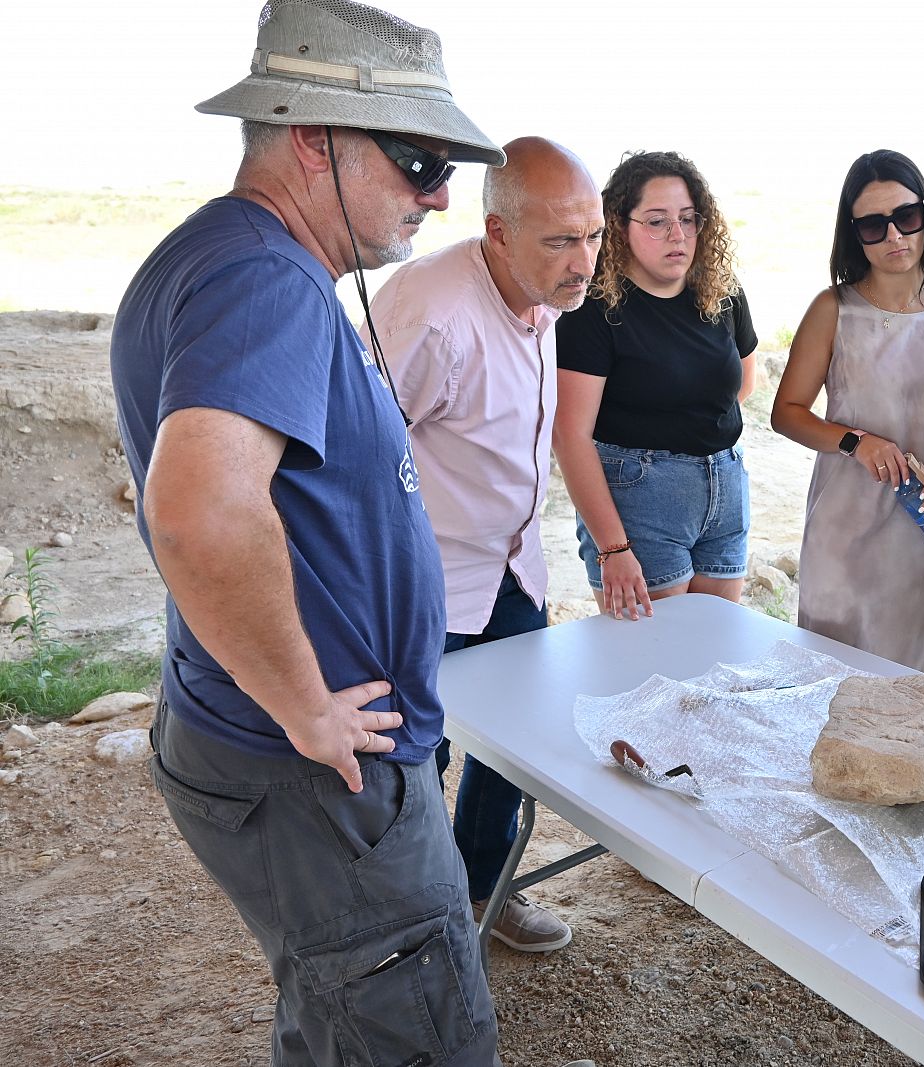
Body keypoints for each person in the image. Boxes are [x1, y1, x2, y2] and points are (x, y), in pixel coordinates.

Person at [108, 1, 506, 1062]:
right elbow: (198, 512)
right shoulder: (264, 279)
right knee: (410, 1030)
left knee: (340, 1012)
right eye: (418, 159)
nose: (441, 192)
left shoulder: (225, 256)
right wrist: (306, 706)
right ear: (312, 138)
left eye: (445, 165)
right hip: (313, 773)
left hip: (261, 746)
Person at [364, 137, 602, 953]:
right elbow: (360, 456)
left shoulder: (547, 292)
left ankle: (483, 889)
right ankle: (415, 928)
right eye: (562, 241)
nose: (585, 262)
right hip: (426, 582)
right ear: (498, 233)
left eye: (595, 236)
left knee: (513, 746)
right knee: (414, 765)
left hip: (514, 567)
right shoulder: (432, 312)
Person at [771, 149, 924, 675]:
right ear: (854, 234)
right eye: (874, 225)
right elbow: (787, 412)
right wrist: (854, 441)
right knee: (833, 694)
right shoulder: (833, 309)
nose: (894, 236)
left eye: (906, 217)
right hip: (844, 540)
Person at [553, 151, 756, 622]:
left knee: (716, 652)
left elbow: (743, 381)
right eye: (657, 221)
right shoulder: (594, 308)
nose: (678, 235)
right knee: (651, 667)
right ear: (620, 226)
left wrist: (686, 423)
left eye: (688, 219)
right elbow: (569, 434)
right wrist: (613, 547)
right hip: (639, 500)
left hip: (724, 489)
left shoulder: (722, 290)